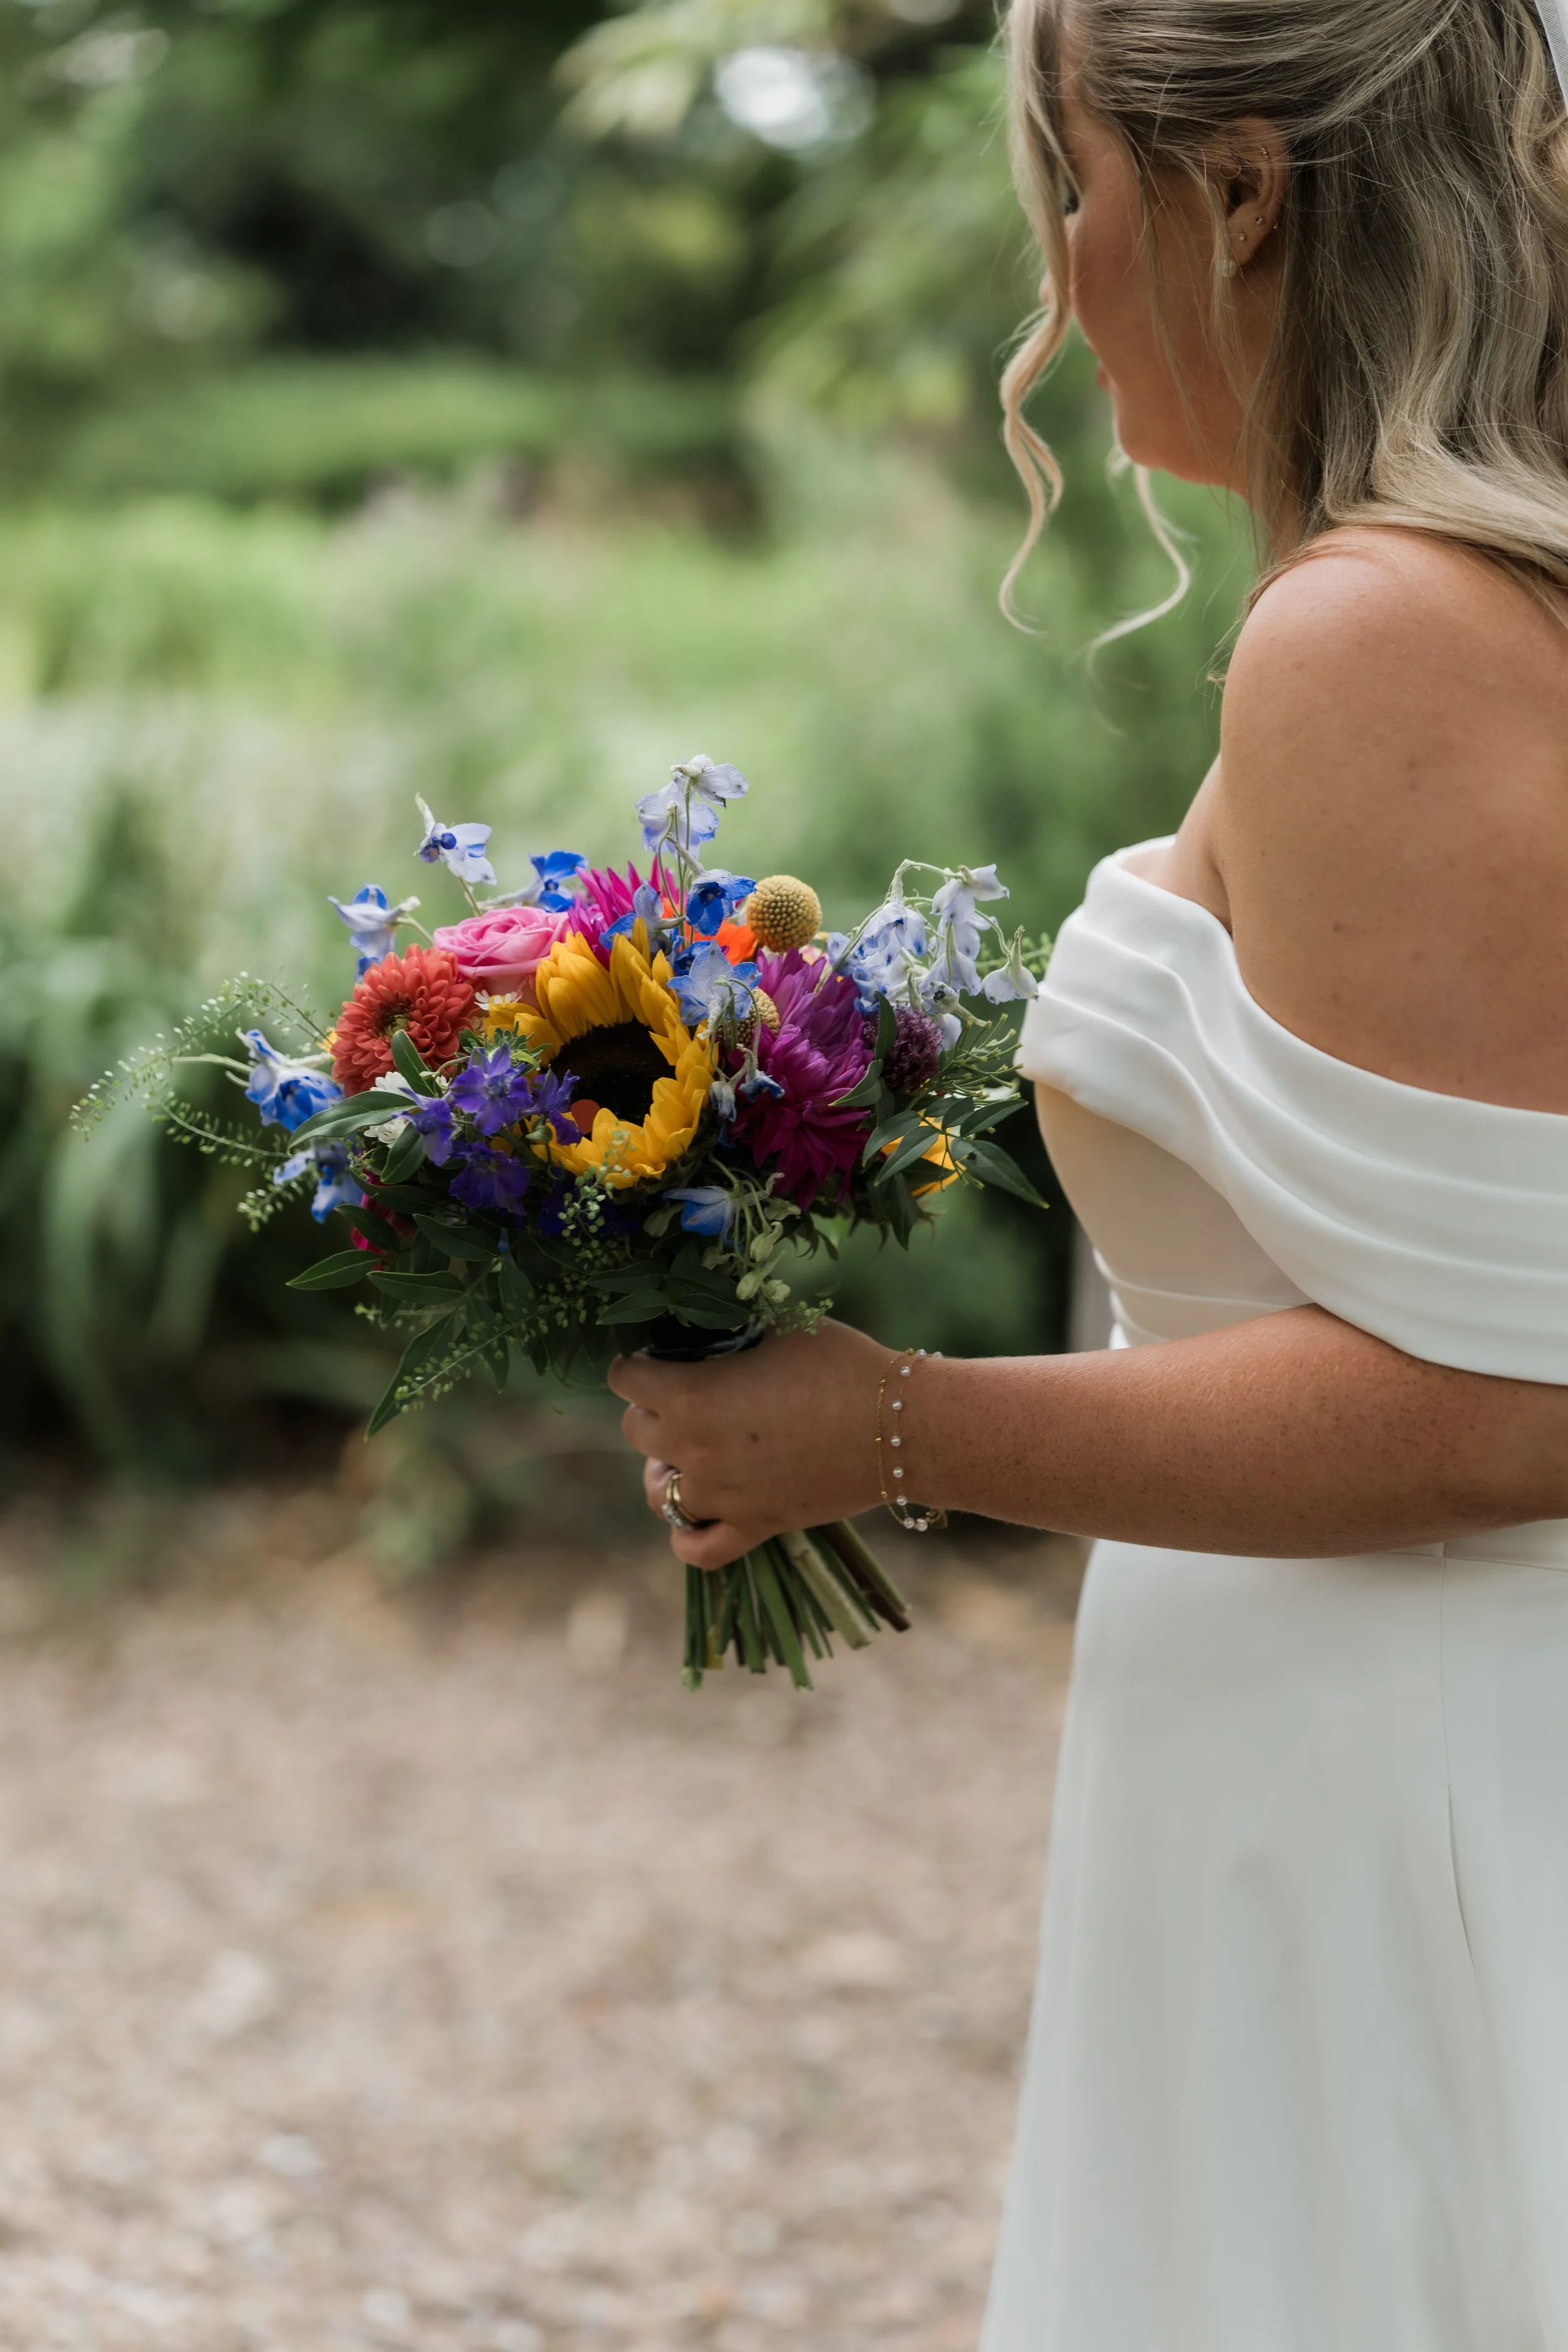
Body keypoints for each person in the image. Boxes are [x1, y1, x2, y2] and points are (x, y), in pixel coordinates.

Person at [609, 0, 1568, 2338]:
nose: (1049, 286)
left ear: (1235, 190)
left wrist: (887, 1425)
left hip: (1406, 1781)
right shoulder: (1478, 601)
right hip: (1314, 1740)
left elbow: (1526, 1401)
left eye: (1069, 188)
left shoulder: (1378, 637)